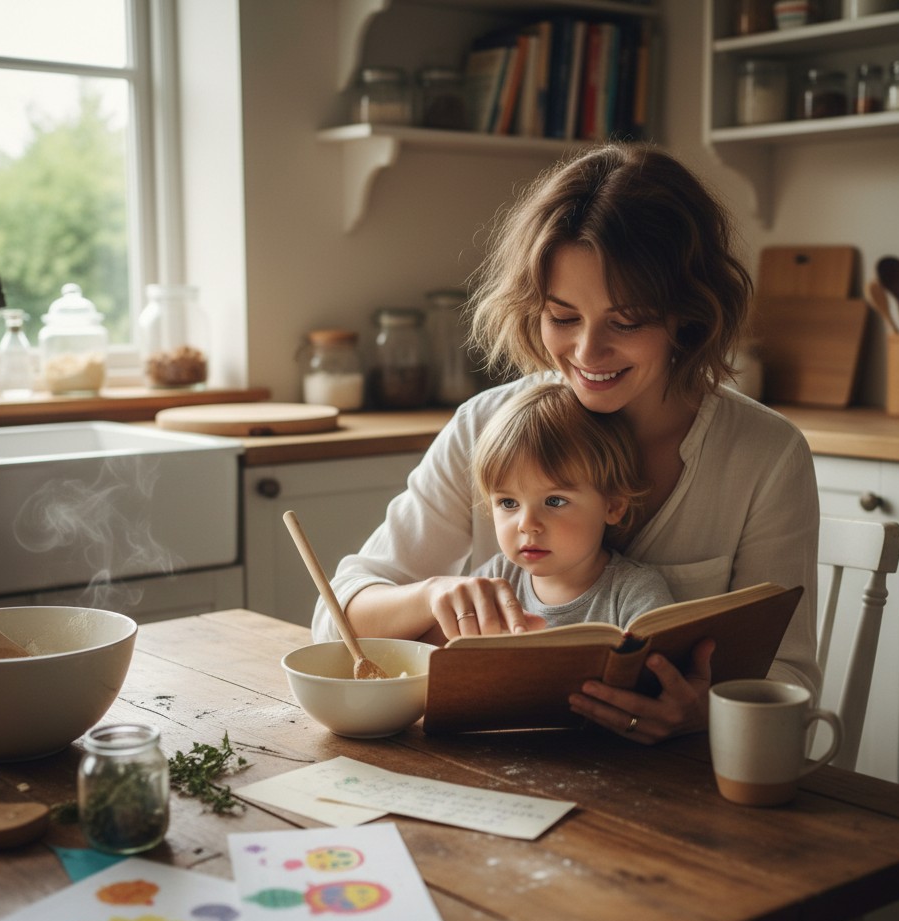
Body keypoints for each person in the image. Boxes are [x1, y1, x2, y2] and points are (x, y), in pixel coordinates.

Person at [313, 141, 820, 745]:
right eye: (563, 317)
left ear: (688, 313)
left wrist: (702, 716)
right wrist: (434, 593)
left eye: (626, 322)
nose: (586, 353)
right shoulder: (485, 426)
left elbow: (789, 679)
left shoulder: (765, 455)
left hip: (681, 794)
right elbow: (333, 621)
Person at [464, 379, 673, 638]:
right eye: (508, 503)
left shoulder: (633, 593)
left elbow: (660, 670)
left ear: (613, 505)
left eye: (554, 501)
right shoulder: (493, 580)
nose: (527, 524)